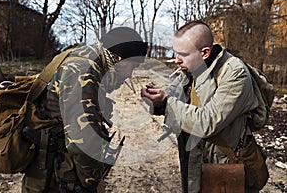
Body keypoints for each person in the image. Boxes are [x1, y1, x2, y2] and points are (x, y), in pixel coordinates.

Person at [22, 27, 147, 193]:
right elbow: (82, 142)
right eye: (133, 66)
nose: (130, 75)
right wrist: (91, 181)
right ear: (119, 58)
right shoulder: (83, 70)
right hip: (56, 173)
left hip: (55, 164)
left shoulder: (84, 56)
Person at [141, 21, 262, 192]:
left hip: (225, 169)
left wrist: (167, 103)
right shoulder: (192, 68)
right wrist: (156, 99)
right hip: (195, 161)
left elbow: (207, 122)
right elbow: (172, 93)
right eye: (176, 53)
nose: (176, 60)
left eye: (182, 54)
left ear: (204, 53)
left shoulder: (235, 74)